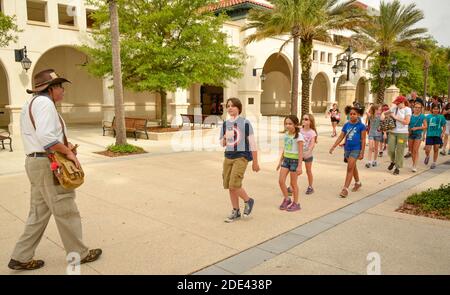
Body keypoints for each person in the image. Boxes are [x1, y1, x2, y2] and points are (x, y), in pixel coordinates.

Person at [8, 69, 102, 271]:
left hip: (35, 163)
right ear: (50, 89)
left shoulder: (30, 104)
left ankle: (21, 256)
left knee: (38, 213)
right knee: (66, 209)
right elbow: (47, 138)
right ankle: (79, 254)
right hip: (47, 164)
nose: (63, 91)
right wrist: (68, 153)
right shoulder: (44, 104)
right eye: (60, 86)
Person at [221, 97, 260, 222]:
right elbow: (222, 143)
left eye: (233, 105)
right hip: (228, 156)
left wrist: (255, 162)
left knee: (234, 184)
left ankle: (248, 201)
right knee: (229, 186)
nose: (230, 108)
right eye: (228, 106)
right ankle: (235, 211)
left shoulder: (245, 123)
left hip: (241, 156)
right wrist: (226, 137)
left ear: (239, 108)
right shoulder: (225, 124)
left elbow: (253, 143)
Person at [329, 106, 366, 198]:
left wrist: (362, 152)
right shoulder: (346, 125)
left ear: (358, 115)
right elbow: (341, 136)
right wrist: (334, 146)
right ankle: (358, 183)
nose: (352, 115)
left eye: (354, 114)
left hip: (356, 149)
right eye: (351, 114)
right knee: (353, 167)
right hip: (347, 149)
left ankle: (345, 189)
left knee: (349, 168)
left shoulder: (361, 126)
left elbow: (363, 139)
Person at [277, 115, 303, 211]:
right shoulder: (287, 134)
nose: (287, 126)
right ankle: (287, 199)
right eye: (286, 124)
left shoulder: (299, 136)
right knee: (281, 181)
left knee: (293, 184)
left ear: (296, 124)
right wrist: (280, 161)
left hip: (295, 162)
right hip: (286, 160)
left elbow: (301, 152)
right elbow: (285, 148)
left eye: (290, 124)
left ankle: (296, 203)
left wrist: (300, 166)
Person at [381, 96, 411, 175]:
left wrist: (395, 117)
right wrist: (383, 115)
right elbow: (384, 113)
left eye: (398, 103)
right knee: (390, 149)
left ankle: (397, 167)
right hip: (392, 132)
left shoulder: (407, 109)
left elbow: (407, 122)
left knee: (399, 151)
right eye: (396, 103)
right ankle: (393, 161)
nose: (397, 105)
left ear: (402, 102)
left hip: (402, 133)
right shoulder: (394, 108)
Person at [423, 103, 447, 169]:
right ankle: (427, 156)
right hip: (429, 135)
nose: (436, 110)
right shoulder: (428, 117)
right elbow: (425, 127)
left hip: (437, 135)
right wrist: (423, 135)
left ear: (439, 110)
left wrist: (443, 133)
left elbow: (444, 126)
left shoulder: (441, 117)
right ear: (432, 109)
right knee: (427, 149)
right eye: (434, 109)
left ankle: (434, 162)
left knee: (436, 149)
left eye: (437, 109)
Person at [300, 114, 317, 195]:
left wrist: (308, 151)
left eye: (306, 119)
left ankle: (310, 187)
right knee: (295, 170)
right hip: (299, 154)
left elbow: (312, 144)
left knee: (308, 171)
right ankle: (292, 186)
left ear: (310, 122)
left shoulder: (312, 132)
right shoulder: (300, 130)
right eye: (303, 119)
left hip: (307, 155)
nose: (304, 120)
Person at [407, 102, 427, 172]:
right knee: (411, 150)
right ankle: (414, 163)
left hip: (418, 135)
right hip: (410, 134)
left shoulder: (422, 116)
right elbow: (408, 124)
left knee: (415, 150)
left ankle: (415, 165)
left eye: (419, 108)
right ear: (413, 108)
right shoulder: (410, 116)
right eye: (416, 107)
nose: (417, 109)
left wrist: (417, 128)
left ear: (421, 109)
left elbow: (425, 126)